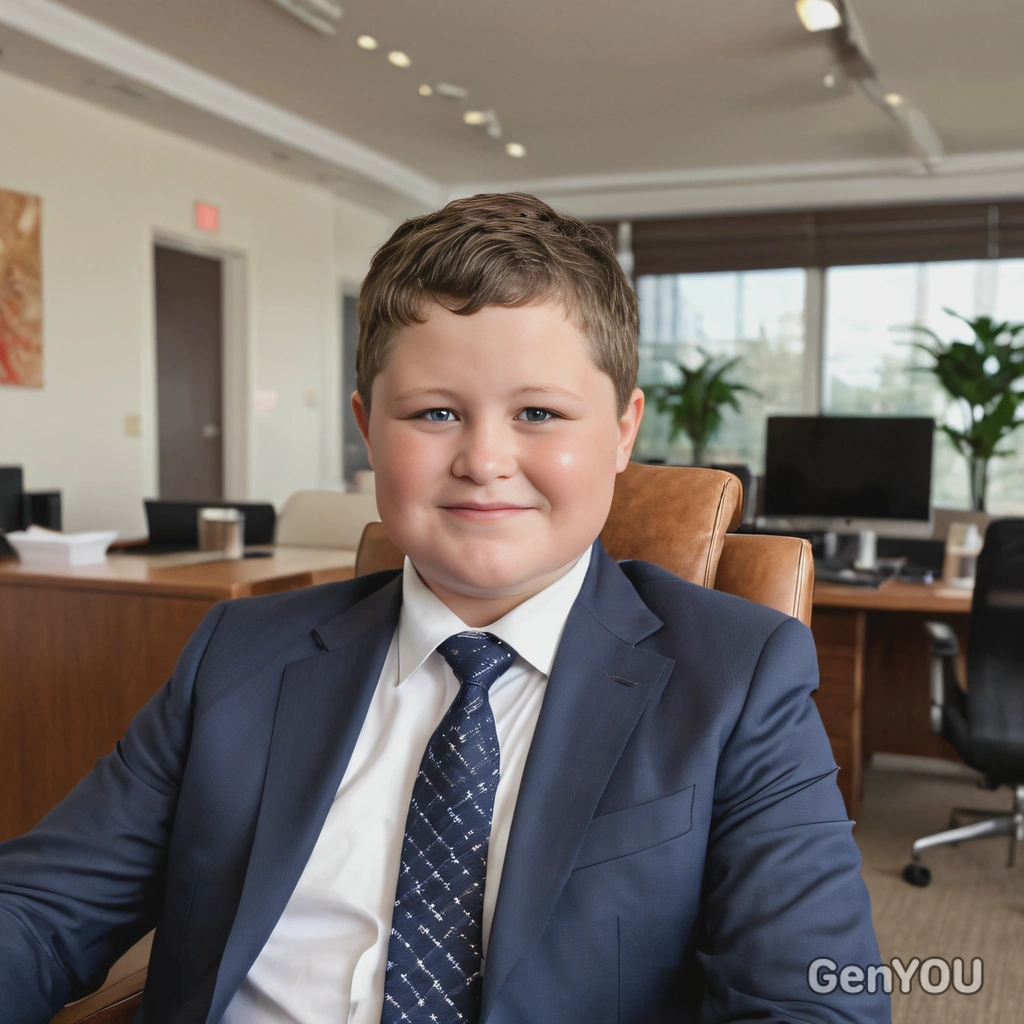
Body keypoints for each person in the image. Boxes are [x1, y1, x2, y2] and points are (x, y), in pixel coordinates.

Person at [0, 192, 890, 1023]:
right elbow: (41, 911)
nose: (484, 459)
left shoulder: (736, 679)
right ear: (367, 429)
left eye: (539, 412)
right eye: (433, 414)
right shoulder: (238, 653)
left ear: (623, 433)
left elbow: (817, 1001)